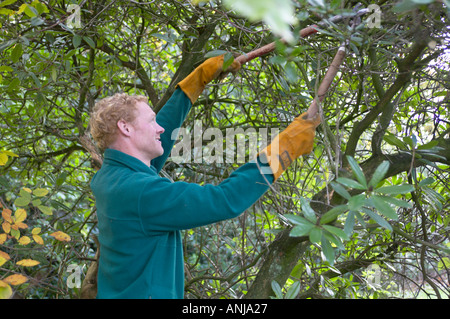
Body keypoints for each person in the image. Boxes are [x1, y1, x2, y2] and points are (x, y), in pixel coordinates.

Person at [89, 55, 320, 299]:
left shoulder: (111, 177)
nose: (160, 128)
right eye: (151, 121)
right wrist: (287, 147)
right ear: (126, 128)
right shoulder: (139, 192)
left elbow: (155, 150)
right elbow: (225, 200)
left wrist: (196, 82)